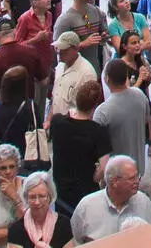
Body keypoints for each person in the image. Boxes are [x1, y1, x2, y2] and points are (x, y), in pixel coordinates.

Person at [51, 74, 113, 211]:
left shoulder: (57, 122)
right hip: (85, 190)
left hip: (61, 190)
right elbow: (104, 167)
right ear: (95, 105)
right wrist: (96, 177)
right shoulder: (98, 132)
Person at [72, 154, 151, 241]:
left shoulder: (143, 201)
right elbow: (76, 240)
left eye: (137, 176)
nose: (137, 181)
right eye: (131, 178)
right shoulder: (87, 206)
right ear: (114, 182)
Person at [97, 56, 151, 174]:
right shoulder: (140, 96)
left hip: (116, 174)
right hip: (138, 169)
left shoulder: (103, 111)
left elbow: (98, 147)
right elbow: (146, 120)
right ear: (127, 76)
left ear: (107, 79)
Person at [11, 170, 75, 246]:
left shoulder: (64, 224)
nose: (37, 202)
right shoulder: (16, 229)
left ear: (50, 197)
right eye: (32, 197)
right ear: (26, 198)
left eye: (42, 196)